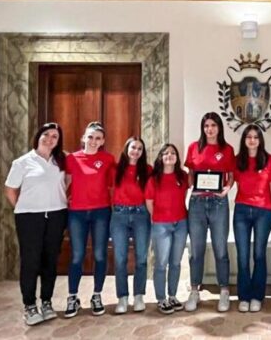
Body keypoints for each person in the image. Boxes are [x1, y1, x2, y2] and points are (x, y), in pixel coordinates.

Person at [4, 122, 68, 326]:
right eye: (46, 135)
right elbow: (10, 190)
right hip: (29, 217)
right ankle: (30, 305)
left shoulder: (61, 161)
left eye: (55, 136)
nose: (50, 139)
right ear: (38, 136)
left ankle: (47, 301)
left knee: (50, 259)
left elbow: (67, 183)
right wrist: (25, 207)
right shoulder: (22, 162)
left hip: (57, 214)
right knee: (31, 261)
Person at [184, 112, 236, 312]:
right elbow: (190, 173)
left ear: (219, 127)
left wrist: (226, 189)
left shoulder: (227, 149)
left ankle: (224, 291)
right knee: (196, 250)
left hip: (218, 204)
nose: (210, 129)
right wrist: (191, 187)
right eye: (206, 125)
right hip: (197, 204)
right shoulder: (194, 147)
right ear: (202, 128)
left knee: (220, 249)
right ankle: (195, 290)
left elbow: (230, 176)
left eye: (213, 125)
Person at [64, 121, 116, 318]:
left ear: (103, 141)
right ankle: (72, 296)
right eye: (91, 137)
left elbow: (113, 186)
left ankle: (97, 295)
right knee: (77, 255)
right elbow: (64, 182)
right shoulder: (72, 159)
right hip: (77, 212)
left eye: (98, 138)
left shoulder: (108, 159)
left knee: (100, 255)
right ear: (83, 138)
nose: (94, 141)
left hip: (101, 212)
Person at [233, 124, 271, 313]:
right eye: (248, 137)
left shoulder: (269, 160)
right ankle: (244, 296)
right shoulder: (237, 161)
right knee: (242, 256)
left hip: (263, 212)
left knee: (259, 254)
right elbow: (227, 182)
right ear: (244, 140)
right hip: (241, 211)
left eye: (255, 137)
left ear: (260, 140)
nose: (252, 140)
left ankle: (257, 296)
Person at [146, 144, 189, 315]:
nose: (170, 156)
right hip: (161, 225)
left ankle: (172, 295)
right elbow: (149, 201)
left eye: (173, 153)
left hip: (181, 223)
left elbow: (183, 196)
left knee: (176, 263)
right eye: (166, 153)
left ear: (177, 157)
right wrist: (158, 217)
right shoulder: (153, 179)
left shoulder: (183, 176)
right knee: (161, 263)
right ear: (161, 157)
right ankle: (161, 298)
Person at [111, 137, 152, 314]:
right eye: (133, 147)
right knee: (120, 258)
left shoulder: (148, 170)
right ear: (127, 148)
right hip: (119, 215)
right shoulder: (115, 169)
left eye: (140, 149)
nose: (136, 151)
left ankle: (138, 296)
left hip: (141, 215)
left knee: (141, 258)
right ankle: (122, 297)